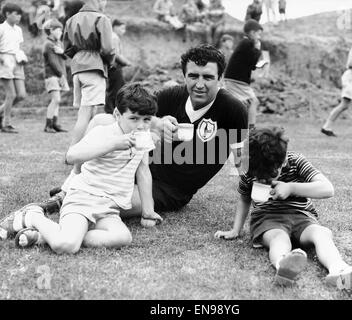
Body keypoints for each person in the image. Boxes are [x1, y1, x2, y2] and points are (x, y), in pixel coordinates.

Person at [15, 45, 248, 224]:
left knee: (110, 205)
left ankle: (61, 202)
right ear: (184, 76)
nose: (199, 84)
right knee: (101, 120)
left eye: (207, 77)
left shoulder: (233, 109)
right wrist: (156, 123)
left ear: (220, 79)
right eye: (193, 76)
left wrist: (257, 194)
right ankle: (69, 186)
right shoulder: (172, 96)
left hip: (170, 189)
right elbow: (131, 110)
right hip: (137, 167)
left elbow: (242, 162)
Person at [215, 127, 352, 290]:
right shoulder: (250, 168)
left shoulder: (296, 161)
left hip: (302, 217)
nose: (263, 180)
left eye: (268, 177)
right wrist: (235, 230)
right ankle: (284, 267)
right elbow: (244, 199)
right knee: (279, 238)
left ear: (283, 160)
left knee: (321, 233)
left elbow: (327, 189)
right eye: (259, 178)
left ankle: (340, 271)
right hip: (267, 220)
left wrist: (291, 188)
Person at [5, 84, 163, 254]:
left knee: (123, 237)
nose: (141, 125)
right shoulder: (104, 133)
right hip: (82, 201)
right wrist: (113, 145)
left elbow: (143, 171)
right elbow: (70, 156)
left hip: (109, 209)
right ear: (117, 115)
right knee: (66, 246)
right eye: (134, 118)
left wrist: (148, 212)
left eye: (146, 119)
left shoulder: (143, 139)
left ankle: (44, 237)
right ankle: (33, 216)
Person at [62, 0, 115, 193]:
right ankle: (78, 156)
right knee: (92, 116)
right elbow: (108, 49)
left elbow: (66, 47)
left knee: (84, 114)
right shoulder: (102, 18)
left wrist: (79, 57)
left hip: (77, 68)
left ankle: (76, 153)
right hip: (94, 66)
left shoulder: (71, 20)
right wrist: (109, 61)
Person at [224, 19, 262, 130]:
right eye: (258, 33)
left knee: (240, 104)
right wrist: (257, 48)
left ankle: (238, 127)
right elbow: (254, 60)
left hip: (235, 79)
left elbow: (251, 65)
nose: (259, 36)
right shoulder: (247, 43)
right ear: (252, 33)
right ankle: (251, 129)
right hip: (237, 80)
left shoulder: (245, 43)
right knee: (253, 101)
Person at [0, 3, 27, 134]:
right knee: (11, 95)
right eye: (16, 14)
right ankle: (6, 123)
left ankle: (2, 112)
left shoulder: (18, 30)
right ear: (7, 14)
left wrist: (22, 57)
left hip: (17, 60)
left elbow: (18, 47)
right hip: (4, 60)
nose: (19, 17)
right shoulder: (1, 28)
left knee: (21, 95)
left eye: (20, 14)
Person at [42, 18, 69, 133]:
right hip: (53, 75)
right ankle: (48, 125)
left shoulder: (58, 43)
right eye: (58, 30)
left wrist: (62, 52)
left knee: (57, 100)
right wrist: (61, 75)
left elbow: (65, 57)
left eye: (61, 31)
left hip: (60, 75)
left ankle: (55, 124)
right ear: (51, 30)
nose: (60, 33)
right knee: (56, 99)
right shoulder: (48, 44)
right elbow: (52, 62)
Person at [105, 19, 131, 114]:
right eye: (122, 28)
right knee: (116, 89)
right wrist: (126, 62)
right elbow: (116, 54)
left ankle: (113, 109)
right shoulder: (114, 37)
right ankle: (111, 110)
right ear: (115, 27)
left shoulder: (111, 36)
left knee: (117, 87)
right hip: (115, 67)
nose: (123, 31)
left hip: (112, 66)